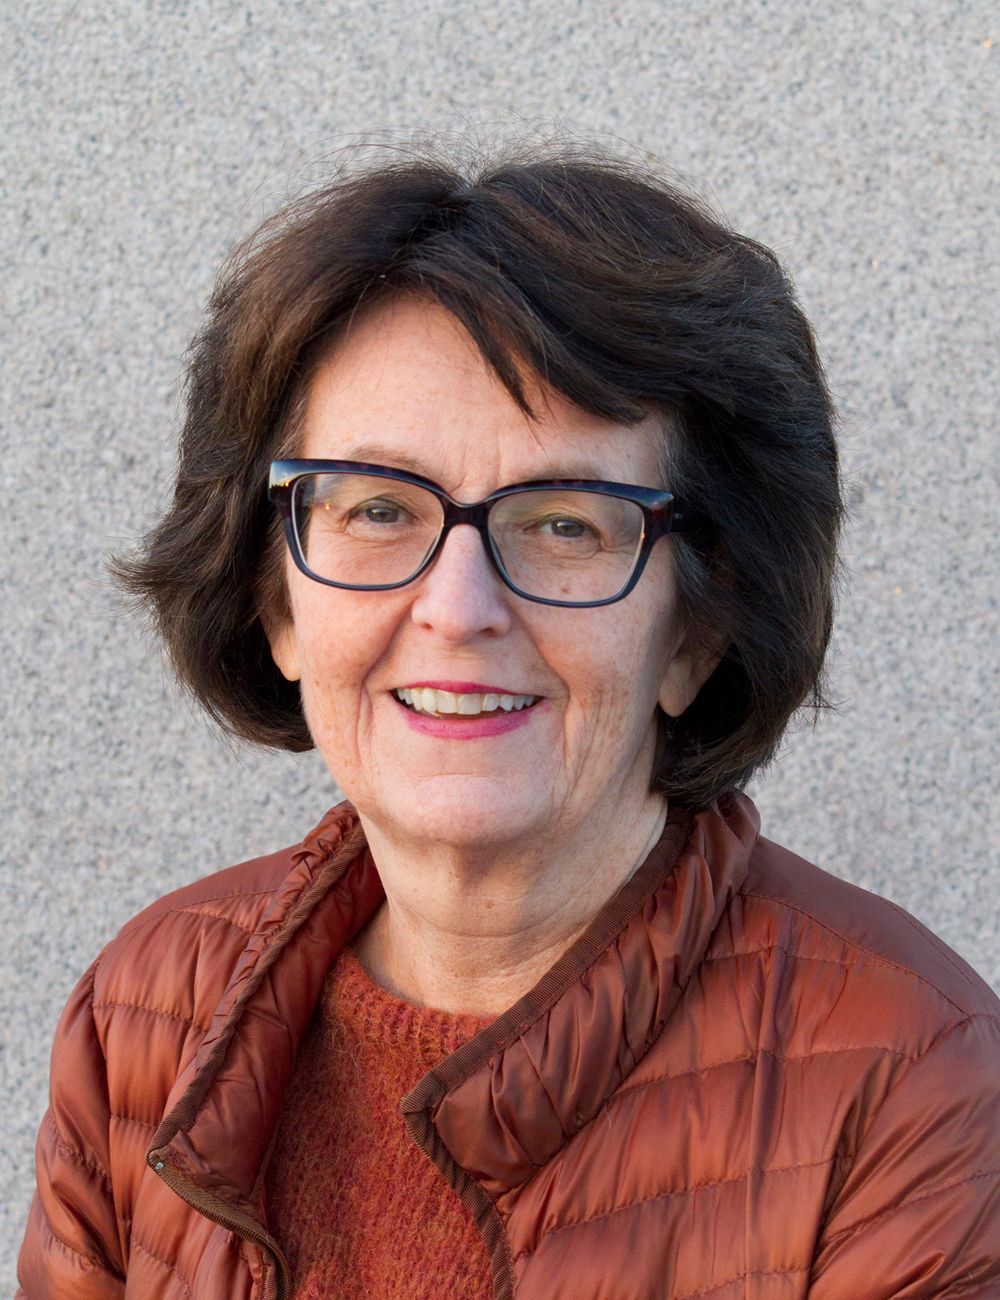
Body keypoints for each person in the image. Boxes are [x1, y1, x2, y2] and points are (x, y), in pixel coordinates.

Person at [17, 143, 1000, 1300]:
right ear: (276, 604)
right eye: (377, 508)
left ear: (696, 630)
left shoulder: (909, 1080)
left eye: (565, 522)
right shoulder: (145, 1012)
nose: (458, 607)